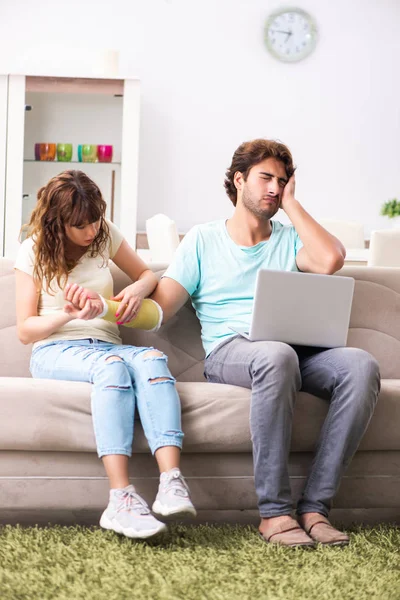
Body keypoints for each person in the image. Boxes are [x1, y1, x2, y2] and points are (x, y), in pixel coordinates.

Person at [67, 139, 380, 548]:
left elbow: (331, 259)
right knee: (275, 354)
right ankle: (274, 513)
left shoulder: (288, 239)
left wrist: (291, 205)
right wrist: (106, 307)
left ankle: (315, 508)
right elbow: (160, 310)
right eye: (266, 178)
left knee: (360, 365)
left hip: (293, 351)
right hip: (233, 351)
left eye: (282, 181)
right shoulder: (203, 239)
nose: (274, 187)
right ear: (239, 179)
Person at [15, 170, 196, 540]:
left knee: (151, 360)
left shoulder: (105, 233)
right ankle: (120, 499)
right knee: (113, 367)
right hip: (56, 348)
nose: (91, 230)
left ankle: (170, 482)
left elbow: (147, 274)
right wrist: (67, 312)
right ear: (58, 222)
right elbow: (24, 330)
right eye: (81, 225)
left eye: (96, 218)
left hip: (106, 343)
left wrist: (137, 291)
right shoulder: (32, 250)